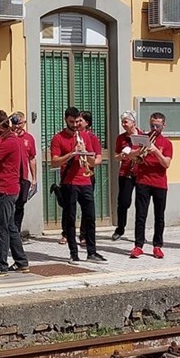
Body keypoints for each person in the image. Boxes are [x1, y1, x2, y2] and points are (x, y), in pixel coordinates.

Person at [50, 107, 107, 264]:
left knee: (90, 218)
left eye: (77, 122)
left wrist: (86, 155)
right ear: (65, 120)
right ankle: (73, 253)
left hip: (85, 180)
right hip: (69, 182)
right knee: (70, 218)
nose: (75, 125)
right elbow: (54, 162)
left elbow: (92, 162)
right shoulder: (58, 138)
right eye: (71, 122)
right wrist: (72, 154)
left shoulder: (85, 137)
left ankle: (92, 252)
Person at [0, 110, 30, 276]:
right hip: (6, 188)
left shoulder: (9, 141)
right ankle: (21, 262)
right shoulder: (6, 139)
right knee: (10, 226)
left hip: (6, 190)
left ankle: (1, 265)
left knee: (0, 228)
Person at [128, 112, 173, 259]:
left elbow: (166, 164)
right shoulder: (143, 139)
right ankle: (138, 245)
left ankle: (157, 246)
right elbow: (131, 157)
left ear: (164, 126)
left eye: (157, 126)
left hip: (160, 183)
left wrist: (156, 151)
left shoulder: (167, 143)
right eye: (152, 125)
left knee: (159, 216)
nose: (154, 128)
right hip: (143, 181)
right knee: (141, 215)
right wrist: (139, 151)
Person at [112, 110, 141, 241]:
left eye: (126, 122)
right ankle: (120, 228)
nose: (123, 124)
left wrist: (134, 154)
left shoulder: (143, 136)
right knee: (123, 202)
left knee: (141, 204)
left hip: (140, 173)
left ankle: (139, 234)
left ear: (133, 122)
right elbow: (116, 156)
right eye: (122, 122)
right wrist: (122, 156)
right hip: (125, 172)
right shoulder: (121, 138)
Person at [76, 110, 103, 246]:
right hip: (73, 176)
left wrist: (89, 159)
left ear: (87, 123)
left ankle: (84, 234)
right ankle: (66, 233)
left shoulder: (92, 137)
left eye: (80, 120)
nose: (78, 123)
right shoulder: (73, 136)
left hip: (87, 175)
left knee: (87, 208)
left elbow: (98, 158)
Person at [11, 111, 37, 238]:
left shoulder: (29, 138)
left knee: (20, 205)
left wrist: (34, 179)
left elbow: (32, 158)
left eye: (19, 123)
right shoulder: (9, 136)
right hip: (11, 177)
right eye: (15, 123)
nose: (17, 126)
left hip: (24, 177)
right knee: (10, 206)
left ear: (24, 123)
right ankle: (9, 232)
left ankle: (16, 231)